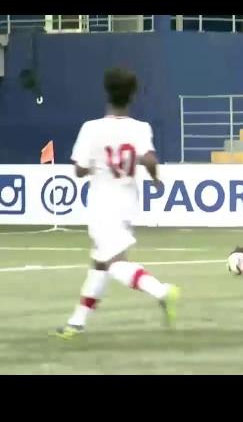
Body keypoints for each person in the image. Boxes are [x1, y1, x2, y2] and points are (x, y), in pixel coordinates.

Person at [55, 68, 180, 339]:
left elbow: (78, 170)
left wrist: (95, 167)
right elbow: (149, 159)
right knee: (99, 264)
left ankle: (161, 291)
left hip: (103, 207)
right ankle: (76, 323)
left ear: (106, 93)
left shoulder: (92, 128)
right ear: (133, 95)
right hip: (127, 205)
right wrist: (156, 179)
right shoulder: (140, 128)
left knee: (113, 263)